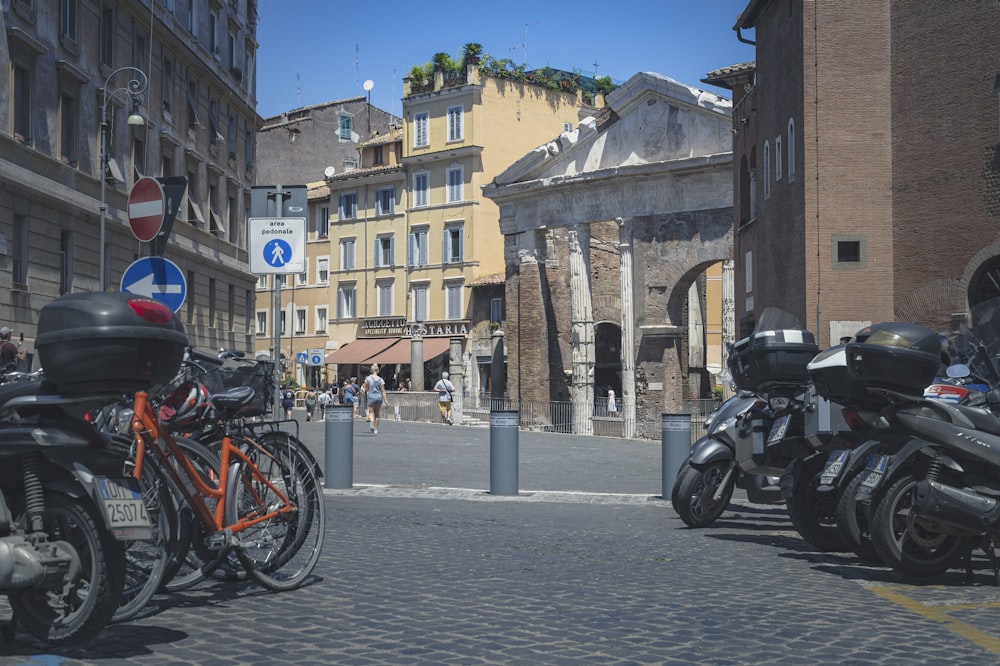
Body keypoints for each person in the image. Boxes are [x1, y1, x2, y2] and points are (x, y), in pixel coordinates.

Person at [364, 364, 388, 435]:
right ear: (378, 370)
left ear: (371, 370)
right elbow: (383, 390)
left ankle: (371, 422)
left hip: (371, 396)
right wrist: (385, 400)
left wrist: (366, 394)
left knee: (371, 412)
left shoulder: (368, 378)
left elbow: (366, 388)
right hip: (379, 397)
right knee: (377, 414)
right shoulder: (381, 379)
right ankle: (376, 429)